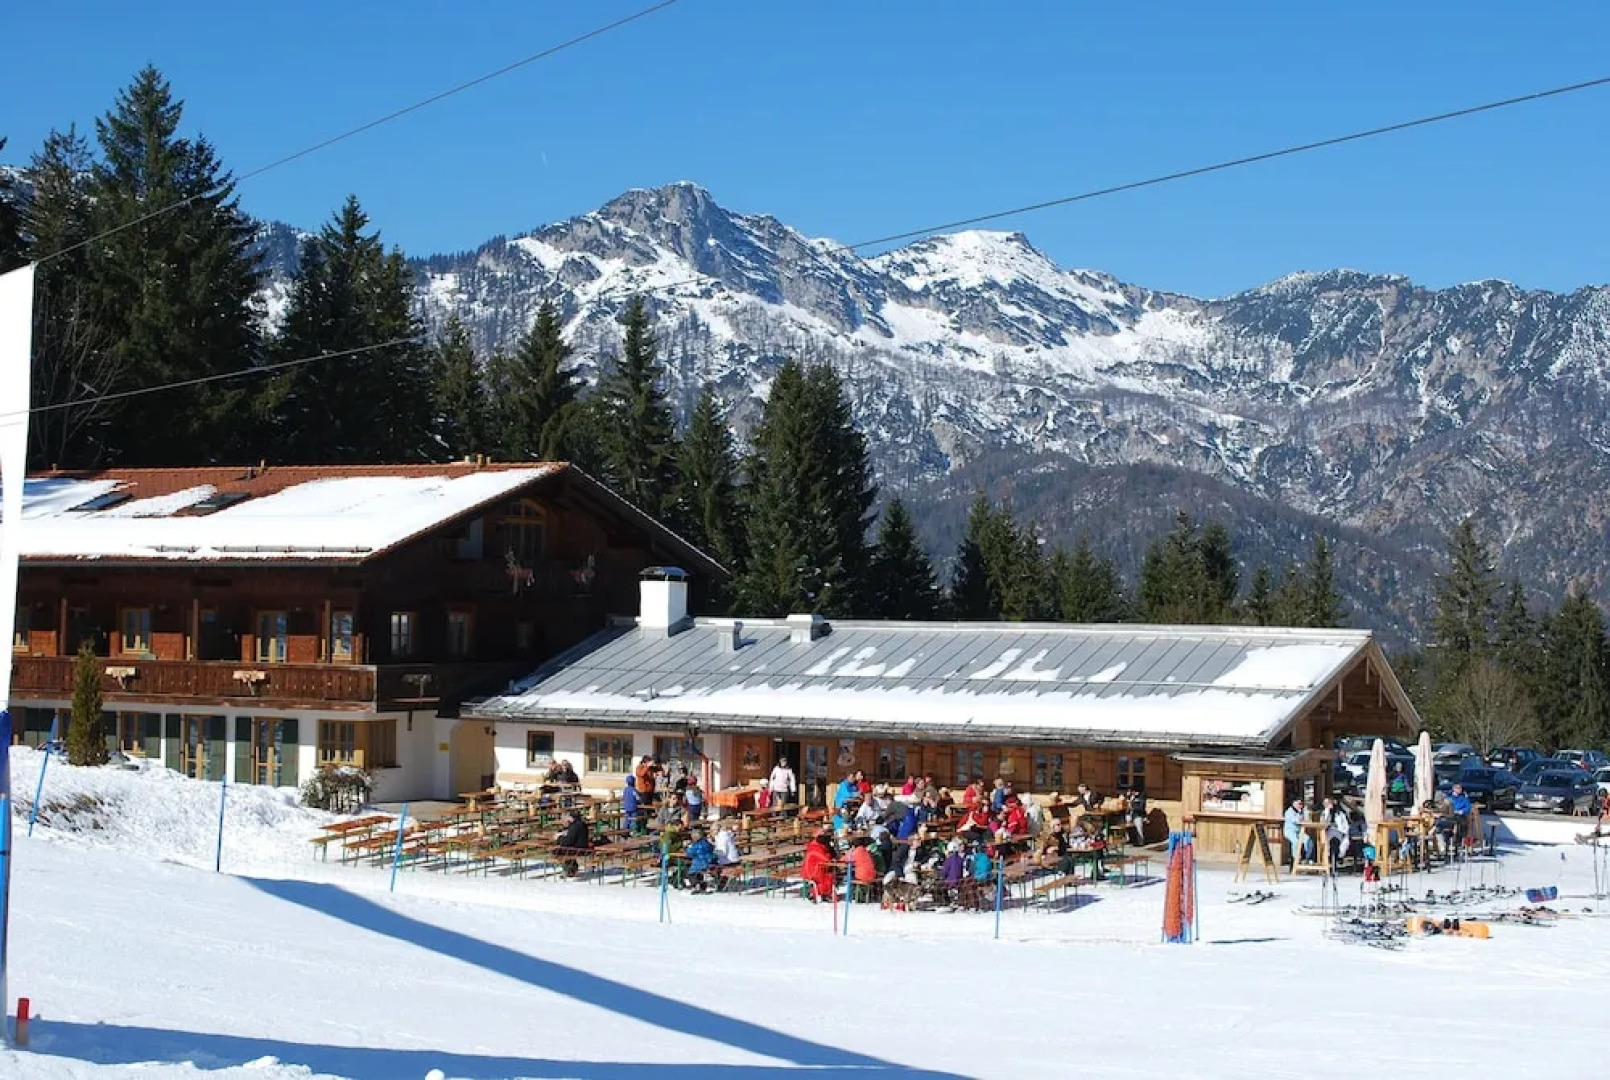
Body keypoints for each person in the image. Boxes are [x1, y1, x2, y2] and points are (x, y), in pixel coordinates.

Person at [801, 830, 838, 902]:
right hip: (811, 871)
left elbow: (829, 857)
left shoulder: (820, 847)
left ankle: (824, 894)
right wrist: (830, 854)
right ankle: (822, 894)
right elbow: (826, 859)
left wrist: (831, 850)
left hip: (818, 869)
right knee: (827, 876)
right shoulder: (815, 848)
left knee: (828, 875)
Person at [555, 809, 592, 878]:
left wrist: (559, 838)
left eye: (566, 818)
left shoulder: (574, 826)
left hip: (578, 849)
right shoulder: (582, 824)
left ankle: (569, 870)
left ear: (570, 818)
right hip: (583, 847)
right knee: (563, 849)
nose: (565, 820)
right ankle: (572, 868)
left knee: (558, 850)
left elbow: (568, 842)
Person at [685, 827, 717, 893]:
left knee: (690, 874)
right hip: (708, 862)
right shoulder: (706, 843)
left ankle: (695, 885)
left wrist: (687, 847)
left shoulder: (697, 845)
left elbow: (690, 853)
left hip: (699, 863)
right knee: (699, 874)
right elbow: (712, 849)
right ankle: (702, 886)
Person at [1283, 797, 1311, 868]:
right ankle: (1296, 859)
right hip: (1290, 831)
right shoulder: (1289, 812)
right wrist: (1300, 813)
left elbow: (1307, 820)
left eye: (1301, 803)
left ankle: (1307, 858)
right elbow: (1296, 820)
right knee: (1296, 842)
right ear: (1294, 803)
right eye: (1299, 803)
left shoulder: (1301, 811)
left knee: (1308, 840)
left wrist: (1305, 811)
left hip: (1299, 832)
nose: (1300, 805)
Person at [1322, 796, 1349, 868]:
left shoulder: (1341, 813)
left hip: (1339, 831)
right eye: (1325, 803)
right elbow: (1324, 822)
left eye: (1328, 803)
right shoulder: (1324, 812)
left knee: (1344, 843)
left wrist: (1344, 831)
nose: (1326, 805)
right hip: (1328, 830)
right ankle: (1328, 857)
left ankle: (1339, 857)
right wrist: (1327, 811)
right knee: (1326, 842)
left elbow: (1345, 824)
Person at [1448, 783, 1473, 852]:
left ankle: (1458, 841)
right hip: (1451, 815)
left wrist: (1462, 811)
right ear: (1453, 788)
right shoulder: (1449, 797)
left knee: (1462, 823)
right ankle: (1449, 839)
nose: (1459, 789)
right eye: (1457, 788)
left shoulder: (1464, 798)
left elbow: (1468, 807)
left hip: (1460, 815)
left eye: (1460, 788)